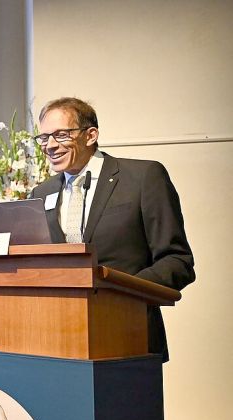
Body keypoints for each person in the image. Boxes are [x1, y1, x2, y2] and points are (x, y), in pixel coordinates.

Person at [28, 97, 195, 361]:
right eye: (44, 137)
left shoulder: (142, 178)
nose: (50, 145)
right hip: (58, 342)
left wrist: (121, 294)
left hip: (129, 334)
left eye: (60, 135)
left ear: (90, 135)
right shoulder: (42, 192)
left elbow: (177, 261)